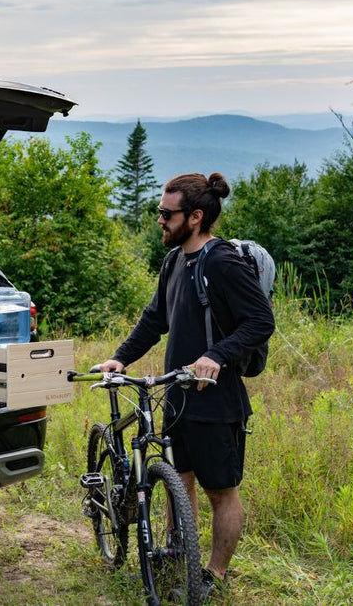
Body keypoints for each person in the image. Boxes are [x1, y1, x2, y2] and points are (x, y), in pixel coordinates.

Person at [98, 172, 274, 601]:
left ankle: (214, 574)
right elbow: (155, 318)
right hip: (176, 395)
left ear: (195, 217)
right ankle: (182, 558)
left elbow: (260, 321)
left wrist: (216, 356)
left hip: (217, 402)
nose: (159, 220)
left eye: (166, 213)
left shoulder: (222, 262)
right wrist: (121, 356)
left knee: (221, 491)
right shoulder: (174, 261)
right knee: (181, 481)